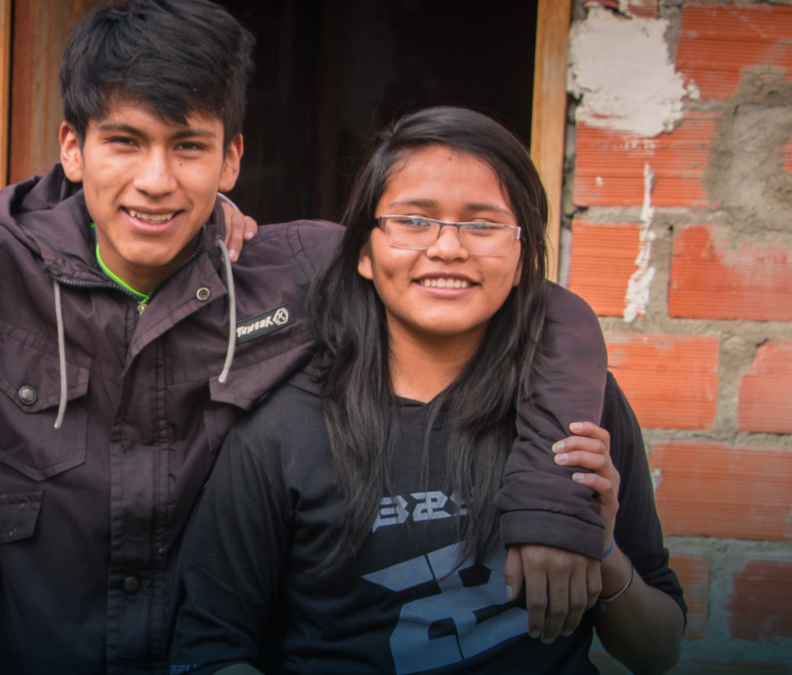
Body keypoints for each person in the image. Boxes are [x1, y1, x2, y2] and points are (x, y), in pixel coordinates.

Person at [0, 1, 615, 672]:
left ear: (231, 158)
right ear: (72, 147)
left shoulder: (292, 272)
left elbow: (538, 307)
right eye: (125, 141)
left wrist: (552, 502)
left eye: (188, 146)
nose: (155, 180)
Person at [170, 107, 686, 675]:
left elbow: (659, 652)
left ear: (522, 259)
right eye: (414, 221)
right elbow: (211, 650)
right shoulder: (283, 427)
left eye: (483, 225)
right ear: (364, 253)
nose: (447, 248)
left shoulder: (580, 411)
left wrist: (601, 546)